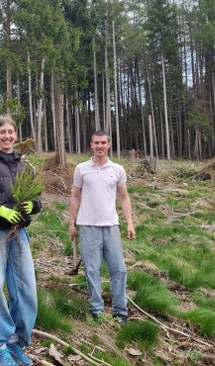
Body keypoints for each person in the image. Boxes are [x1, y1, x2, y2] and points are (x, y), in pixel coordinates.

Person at [0, 117, 42, 366]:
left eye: (11, 132)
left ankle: (16, 341)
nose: (7, 136)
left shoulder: (24, 167)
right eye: (2, 132)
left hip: (19, 232)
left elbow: (37, 198)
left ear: (16, 135)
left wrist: (32, 205)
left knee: (26, 288)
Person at [69, 130, 136, 324]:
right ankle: (97, 310)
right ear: (91, 145)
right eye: (96, 143)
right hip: (88, 226)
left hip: (111, 225)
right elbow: (75, 196)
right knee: (92, 270)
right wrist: (72, 223)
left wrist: (129, 223)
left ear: (109, 145)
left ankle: (119, 312)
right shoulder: (81, 169)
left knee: (119, 269)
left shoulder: (117, 170)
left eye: (103, 143)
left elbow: (124, 196)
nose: (99, 146)